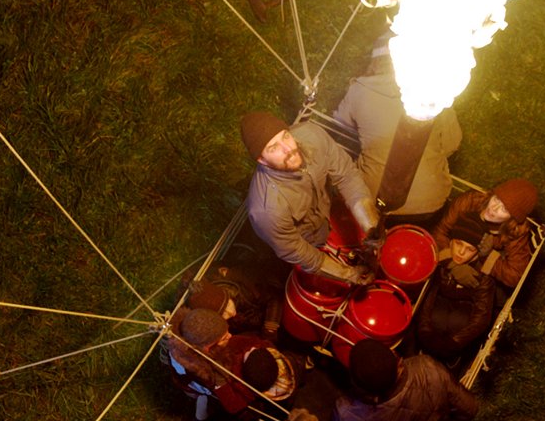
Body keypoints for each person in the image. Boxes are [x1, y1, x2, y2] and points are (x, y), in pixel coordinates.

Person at [285, 339, 479, 421]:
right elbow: (468, 411)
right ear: (396, 360)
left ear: (356, 383)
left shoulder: (349, 412)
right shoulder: (428, 368)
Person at [333, 34, 462, 226]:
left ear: (376, 61)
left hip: (373, 200)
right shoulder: (434, 92)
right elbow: (453, 142)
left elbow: (340, 122)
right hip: (430, 203)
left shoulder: (360, 89)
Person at [241, 111, 381, 285]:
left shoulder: (312, 136)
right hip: (310, 240)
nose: (288, 149)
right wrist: (348, 274)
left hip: (327, 212)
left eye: (285, 136)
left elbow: (347, 176)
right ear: (261, 160)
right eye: (273, 148)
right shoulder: (267, 210)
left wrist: (370, 226)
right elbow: (299, 251)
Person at [165, 307, 283, 421]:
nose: (230, 336)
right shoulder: (187, 360)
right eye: (224, 337)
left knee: (210, 402)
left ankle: (199, 420)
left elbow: (261, 344)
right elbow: (183, 377)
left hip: (223, 391)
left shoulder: (233, 344)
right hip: (201, 390)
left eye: (227, 332)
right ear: (208, 348)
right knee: (203, 402)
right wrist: (217, 383)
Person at [416, 215, 496, 363]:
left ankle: (452, 359)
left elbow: (482, 316)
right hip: (440, 306)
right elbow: (427, 298)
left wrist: (454, 343)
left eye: (470, 249)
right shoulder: (441, 261)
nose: (461, 252)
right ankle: (425, 351)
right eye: (458, 244)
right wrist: (425, 332)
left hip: (463, 315)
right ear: (451, 241)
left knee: (457, 321)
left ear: (477, 252)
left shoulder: (484, 273)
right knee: (437, 318)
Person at [432, 178, 538, 289]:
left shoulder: (516, 230)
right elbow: (439, 232)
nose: (493, 208)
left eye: (504, 209)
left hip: (482, 263)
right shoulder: (469, 202)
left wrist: (487, 255)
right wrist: (451, 263)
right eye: (497, 199)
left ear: (513, 219)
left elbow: (515, 276)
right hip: (455, 244)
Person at [180, 263, 281, 340]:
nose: (232, 313)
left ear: (227, 294)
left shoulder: (245, 289)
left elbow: (274, 297)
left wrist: (270, 329)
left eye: (228, 303)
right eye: (223, 313)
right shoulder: (214, 324)